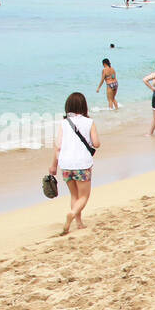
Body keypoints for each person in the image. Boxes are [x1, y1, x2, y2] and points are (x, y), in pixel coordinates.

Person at [50, 92, 99, 236]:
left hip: (65, 164)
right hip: (82, 163)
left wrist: (53, 165)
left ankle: (78, 223)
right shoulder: (89, 122)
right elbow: (96, 143)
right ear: (84, 107)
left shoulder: (64, 123)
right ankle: (72, 214)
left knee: (74, 195)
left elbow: (57, 145)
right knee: (84, 196)